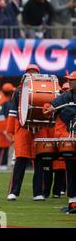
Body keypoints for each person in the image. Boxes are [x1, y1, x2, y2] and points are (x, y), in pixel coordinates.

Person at [6, 64, 47, 201]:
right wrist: (11, 132)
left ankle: (38, 192)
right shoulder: (18, 91)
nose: (31, 74)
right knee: (20, 160)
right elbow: (12, 112)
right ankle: (14, 191)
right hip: (23, 129)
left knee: (39, 160)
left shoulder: (44, 89)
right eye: (29, 72)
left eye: (34, 72)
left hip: (39, 130)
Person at [43, 71, 76, 213]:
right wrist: (48, 107)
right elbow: (50, 105)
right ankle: (73, 203)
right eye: (69, 80)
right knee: (71, 170)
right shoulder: (67, 96)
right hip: (70, 140)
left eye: (72, 80)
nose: (70, 82)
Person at [0, 83, 15, 170]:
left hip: (1, 124)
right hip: (3, 125)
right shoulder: (6, 102)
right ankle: (0, 163)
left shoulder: (1, 98)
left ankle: (2, 163)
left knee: (4, 145)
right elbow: (4, 116)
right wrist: (5, 130)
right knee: (4, 146)